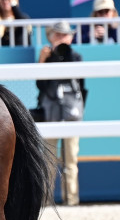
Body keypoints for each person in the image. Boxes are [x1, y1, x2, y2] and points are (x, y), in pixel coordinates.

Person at [37, 21, 86, 206]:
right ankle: (45, 200)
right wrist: (42, 60)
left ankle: (71, 199)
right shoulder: (47, 57)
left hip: (71, 114)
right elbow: (40, 86)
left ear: (71, 37)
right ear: (50, 37)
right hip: (51, 114)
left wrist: (64, 53)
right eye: (57, 35)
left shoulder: (76, 56)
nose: (62, 39)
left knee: (71, 159)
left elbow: (81, 86)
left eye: (65, 35)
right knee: (48, 159)